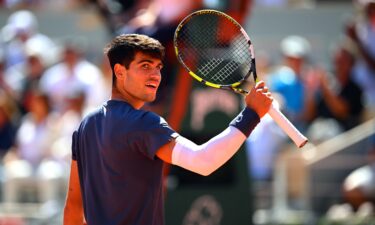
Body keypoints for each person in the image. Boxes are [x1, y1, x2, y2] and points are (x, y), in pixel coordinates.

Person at [63, 34, 273, 225]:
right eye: (145, 66)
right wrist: (251, 114)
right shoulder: (144, 123)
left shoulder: (85, 126)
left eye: (158, 67)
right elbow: (203, 161)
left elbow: (73, 210)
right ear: (119, 71)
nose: (155, 75)